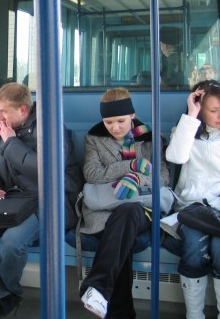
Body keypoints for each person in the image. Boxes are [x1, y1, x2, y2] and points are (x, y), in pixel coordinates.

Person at [0, 82, 82, 317]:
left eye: (3, 111)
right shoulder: (4, 130)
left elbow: (48, 173)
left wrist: (11, 143)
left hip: (50, 201)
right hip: (13, 200)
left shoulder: (49, 129)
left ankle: (5, 293)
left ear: (23, 110)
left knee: (11, 242)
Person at [164, 80, 220, 319]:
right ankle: (194, 315)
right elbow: (175, 156)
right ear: (201, 110)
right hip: (191, 210)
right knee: (193, 248)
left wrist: (212, 209)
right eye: (213, 110)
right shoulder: (186, 130)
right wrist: (191, 116)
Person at [79, 87, 170, 319]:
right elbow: (91, 173)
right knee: (121, 238)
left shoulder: (151, 138)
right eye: (108, 122)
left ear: (132, 115)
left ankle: (98, 288)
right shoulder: (94, 138)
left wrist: (135, 178)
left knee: (127, 213)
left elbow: (162, 177)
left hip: (140, 206)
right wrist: (131, 166)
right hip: (105, 210)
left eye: (121, 120)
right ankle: (121, 313)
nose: (115, 127)